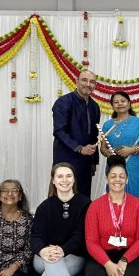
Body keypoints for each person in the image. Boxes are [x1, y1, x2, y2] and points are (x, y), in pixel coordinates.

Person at [100, 91, 139, 207]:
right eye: (116, 102)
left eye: (123, 101)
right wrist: (107, 152)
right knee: (115, 200)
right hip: (115, 166)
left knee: (136, 200)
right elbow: (103, 147)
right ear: (112, 105)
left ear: (129, 104)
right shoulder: (107, 125)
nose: (120, 104)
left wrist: (131, 150)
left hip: (135, 167)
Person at [52, 70, 101, 198]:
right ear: (76, 81)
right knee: (64, 195)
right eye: (84, 80)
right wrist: (79, 148)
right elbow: (59, 131)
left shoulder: (94, 106)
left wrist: (93, 161)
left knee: (83, 197)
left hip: (85, 161)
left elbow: (94, 135)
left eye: (92, 82)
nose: (88, 84)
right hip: (66, 158)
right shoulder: (63, 102)